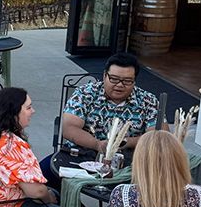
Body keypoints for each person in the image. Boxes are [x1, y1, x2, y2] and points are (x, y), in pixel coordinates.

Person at [40, 52, 160, 188]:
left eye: (127, 81)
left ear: (134, 81)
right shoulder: (85, 93)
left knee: (159, 181)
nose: (120, 85)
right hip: (84, 153)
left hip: (129, 162)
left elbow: (159, 135)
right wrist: (97, 144)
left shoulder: (148, 100)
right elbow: (69, 128)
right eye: (114, 79)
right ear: (104, 76)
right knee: (41, 174)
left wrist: (126, 142)